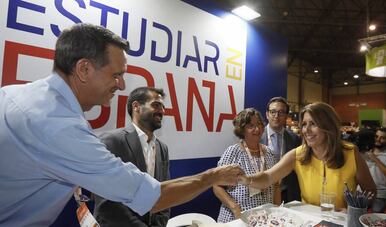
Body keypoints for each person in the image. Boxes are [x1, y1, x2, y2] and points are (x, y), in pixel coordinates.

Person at [0, 23, 244, 226]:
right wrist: (212, 176)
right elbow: (151, 196)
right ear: (84, 69)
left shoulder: (17, 95)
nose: (121, 85)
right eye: (116, 75)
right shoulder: (59, 127)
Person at [238, 102, 376, 210]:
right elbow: (268, 177)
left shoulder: (351, 153)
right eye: (304, 124)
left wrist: (354, 209)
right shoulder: (297, 154)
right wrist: (244, 179)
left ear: (328, 126)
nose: (306, 130)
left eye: (313, 124)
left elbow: (370, 192)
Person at [93, 87, 170, 227]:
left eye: (163, 107)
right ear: (136, 106)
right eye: (156, 105)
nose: (162, 111)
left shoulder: (162, 148)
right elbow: (107, 202)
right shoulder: (111, 141)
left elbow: (163, 193)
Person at [214, 108, 276, 223]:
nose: (257, 129)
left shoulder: (270, 153)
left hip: (264, 219)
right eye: (251, 126)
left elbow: (276, 185)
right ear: (242, 130)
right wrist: (235, 208)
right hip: (236, 218)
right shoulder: (233, 152)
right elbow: (217, 186)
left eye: (259, 124)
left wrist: (277, 210)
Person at [260, 97, 301, 204]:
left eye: (281, 112)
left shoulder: (294, 139)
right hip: (263, 192)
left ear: (286, 116)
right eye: (273, 112)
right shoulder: (256, 136)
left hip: (287, 193)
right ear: (267, 114)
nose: (276, 116)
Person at [364, 127, 386, 213]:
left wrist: (376, 160)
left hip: (380, 194)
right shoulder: (365, 152)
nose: (378, 139)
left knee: (376, 221)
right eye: (376, 136)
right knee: (357, 218)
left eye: (382, 138)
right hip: (363, 192)